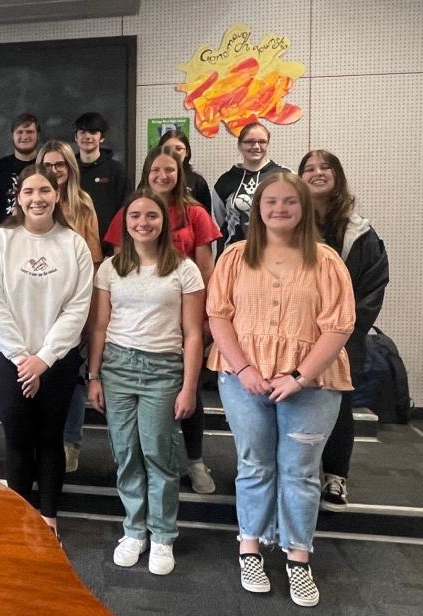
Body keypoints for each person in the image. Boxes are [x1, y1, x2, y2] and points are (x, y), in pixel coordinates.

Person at [207, 173, 355, 607]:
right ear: (258, 209)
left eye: (290, 202)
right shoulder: (235, 257)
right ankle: (250, 545)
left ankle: (297, 556)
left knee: (301, 471)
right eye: (270, 201)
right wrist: (246, 368)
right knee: (254, 464)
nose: (279, 209)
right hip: (243, 379)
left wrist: (299, 377)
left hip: (312, 384)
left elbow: (340, 326)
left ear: (304, 208)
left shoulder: (326, 261)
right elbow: (219, 317)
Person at [87, 189, 204, 576]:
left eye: (151, 215)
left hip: (163, 369)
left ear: (163, 221)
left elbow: (192, 333)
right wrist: (94, 375)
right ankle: (134, 530)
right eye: (134, 215)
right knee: (126, 454)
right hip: (118, 367)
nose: (142, 222)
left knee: (159, 454)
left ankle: (163, 535)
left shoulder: (184, 269)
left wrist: (189, 387)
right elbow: (99, 326)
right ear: (124, 222)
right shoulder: (111, 268)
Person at [0, 164, 92, 536]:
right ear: (19, 197)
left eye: (44, 191)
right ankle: (20, 516)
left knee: (49, 438)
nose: (37, 198)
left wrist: (43, 359)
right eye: (29, 191)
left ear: (57, 196)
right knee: (17, 437)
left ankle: (48, 518)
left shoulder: (73, 243)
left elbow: (78, 307)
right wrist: (21, 358)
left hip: (55, 360)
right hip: (7, 356)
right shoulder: (0, 240)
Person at [104, 146, 222, 493]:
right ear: (146, 172)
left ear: (180, 171)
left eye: (169, 170)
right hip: (140, 323)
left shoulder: (196, 213)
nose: (162, 176)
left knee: (188, 396)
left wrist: (201, 322)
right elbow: (119, 269)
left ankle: (195, 461)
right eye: (156, 170)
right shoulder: (132, 209)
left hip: (183, 312)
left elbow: (205, 269)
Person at [299, 150, 389, 512]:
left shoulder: (359, 231)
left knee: (338, 405)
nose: (318, 173)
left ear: (338, 176)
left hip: (343, 335)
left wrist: (345, 330)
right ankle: (299, 474)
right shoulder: (290, 222)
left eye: (326, 168)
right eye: (309, 168)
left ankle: (335, 476)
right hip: (296, 333)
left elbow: (372, 286)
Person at [34, 140, 103, 473]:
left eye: (60, 164)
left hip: (75, 300)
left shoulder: (83, 204)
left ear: (70, 167)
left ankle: (70, 441)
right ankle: (42, 438)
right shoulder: (32, 202)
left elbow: (93, 257)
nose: (54, 170)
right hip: (36, 304)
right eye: (47, 164)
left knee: (71, 372)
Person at [211, 122, 290, 249]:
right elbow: (221, 219)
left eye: (262, 141)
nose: (256, 146)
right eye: (249, 142)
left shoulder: (286, 176)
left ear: (268, 144)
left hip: (276, 254)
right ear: (239, 145)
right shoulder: (225, 181)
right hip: (234, 257)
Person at [73, 112, 129, 242]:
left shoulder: (116, 170)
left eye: (93, 132)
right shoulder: (69, 169)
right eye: (82, 132)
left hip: (107, 245)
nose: (87, 137)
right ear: (75, 137)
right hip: (73, 242)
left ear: (102, 137)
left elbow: (124, 210)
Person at [0, 113, 40, 227]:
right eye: (19, 132)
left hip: (40, 232)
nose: (24, 136)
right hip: (6, 234)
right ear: (12, 136)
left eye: (29, 132)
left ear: (38, 135)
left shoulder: (46, 165)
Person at [157, 129, 211, 212]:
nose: (173, 153)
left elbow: (206, 216)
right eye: (167, 149)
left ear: (187, 152)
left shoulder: (197, 182)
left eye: (178, 148)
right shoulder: (153, 178)